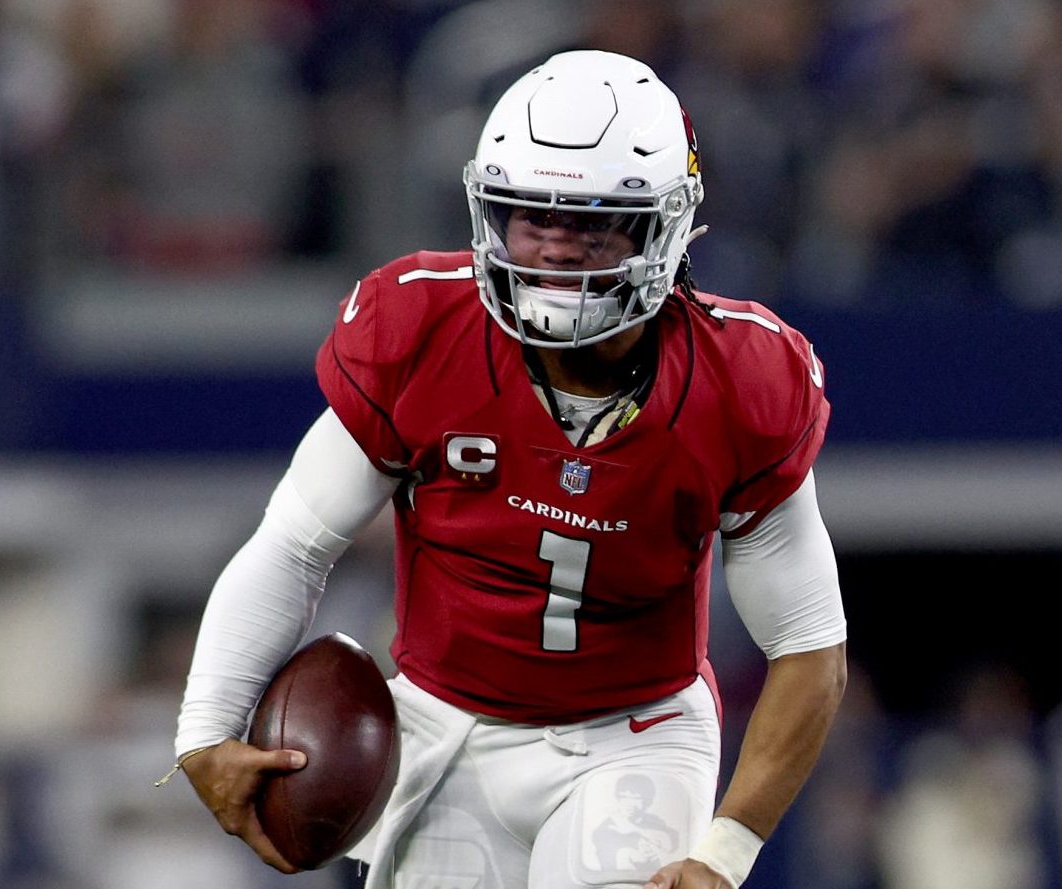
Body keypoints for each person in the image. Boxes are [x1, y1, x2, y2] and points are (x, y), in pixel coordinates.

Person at [168, 49, 848, 889]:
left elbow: (809, 646)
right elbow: (294, 544)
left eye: (593, 221)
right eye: (532, 218)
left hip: (633, 733)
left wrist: (727, 846)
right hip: (441, 726)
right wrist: (203, 726)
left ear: (664, 224)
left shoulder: (741, 381)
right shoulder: (419, 329)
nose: (556, 250)